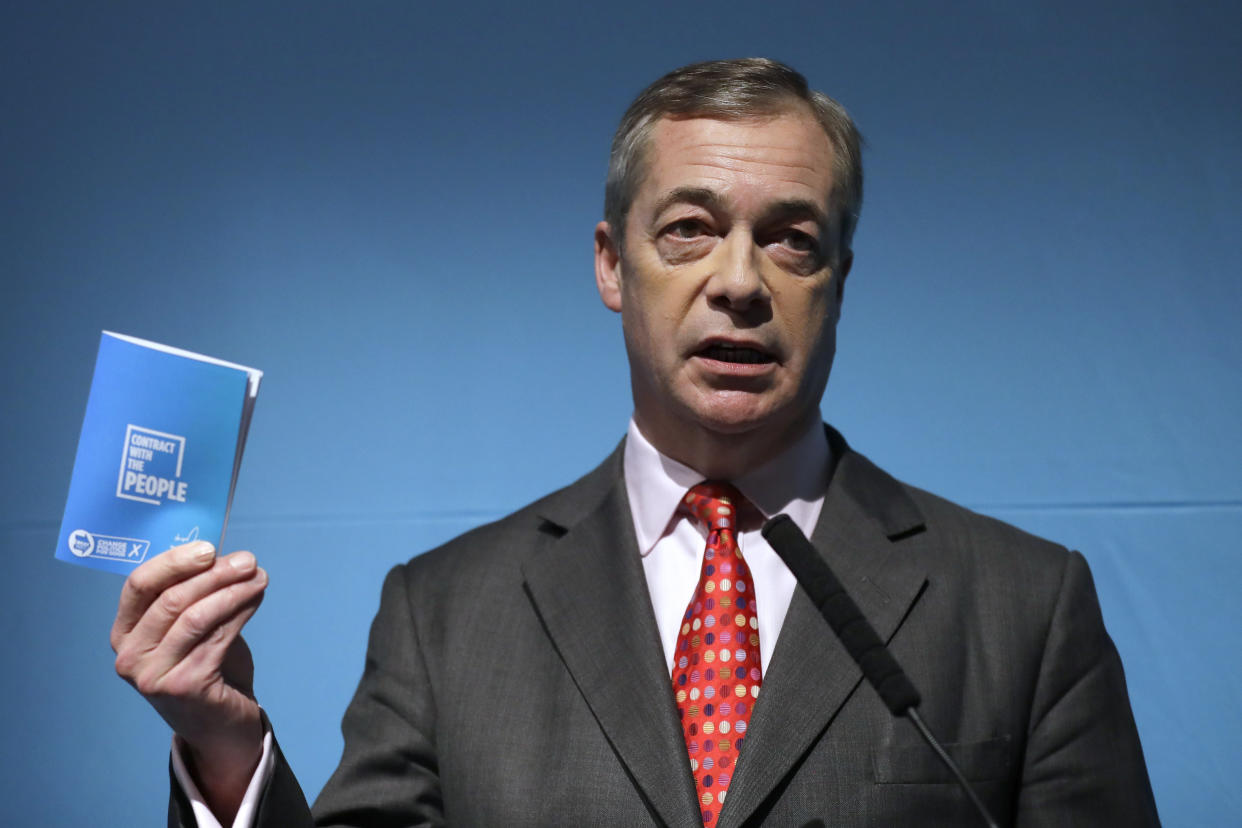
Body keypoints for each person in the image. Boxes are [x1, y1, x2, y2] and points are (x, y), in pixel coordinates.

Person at [112, 58, 1160, 827]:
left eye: (792, 239)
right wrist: (224, 748)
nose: (741, 282)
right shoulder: (442, 615)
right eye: (689, 230)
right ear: (613, 267)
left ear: (840, 279)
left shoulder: (1027, 604)